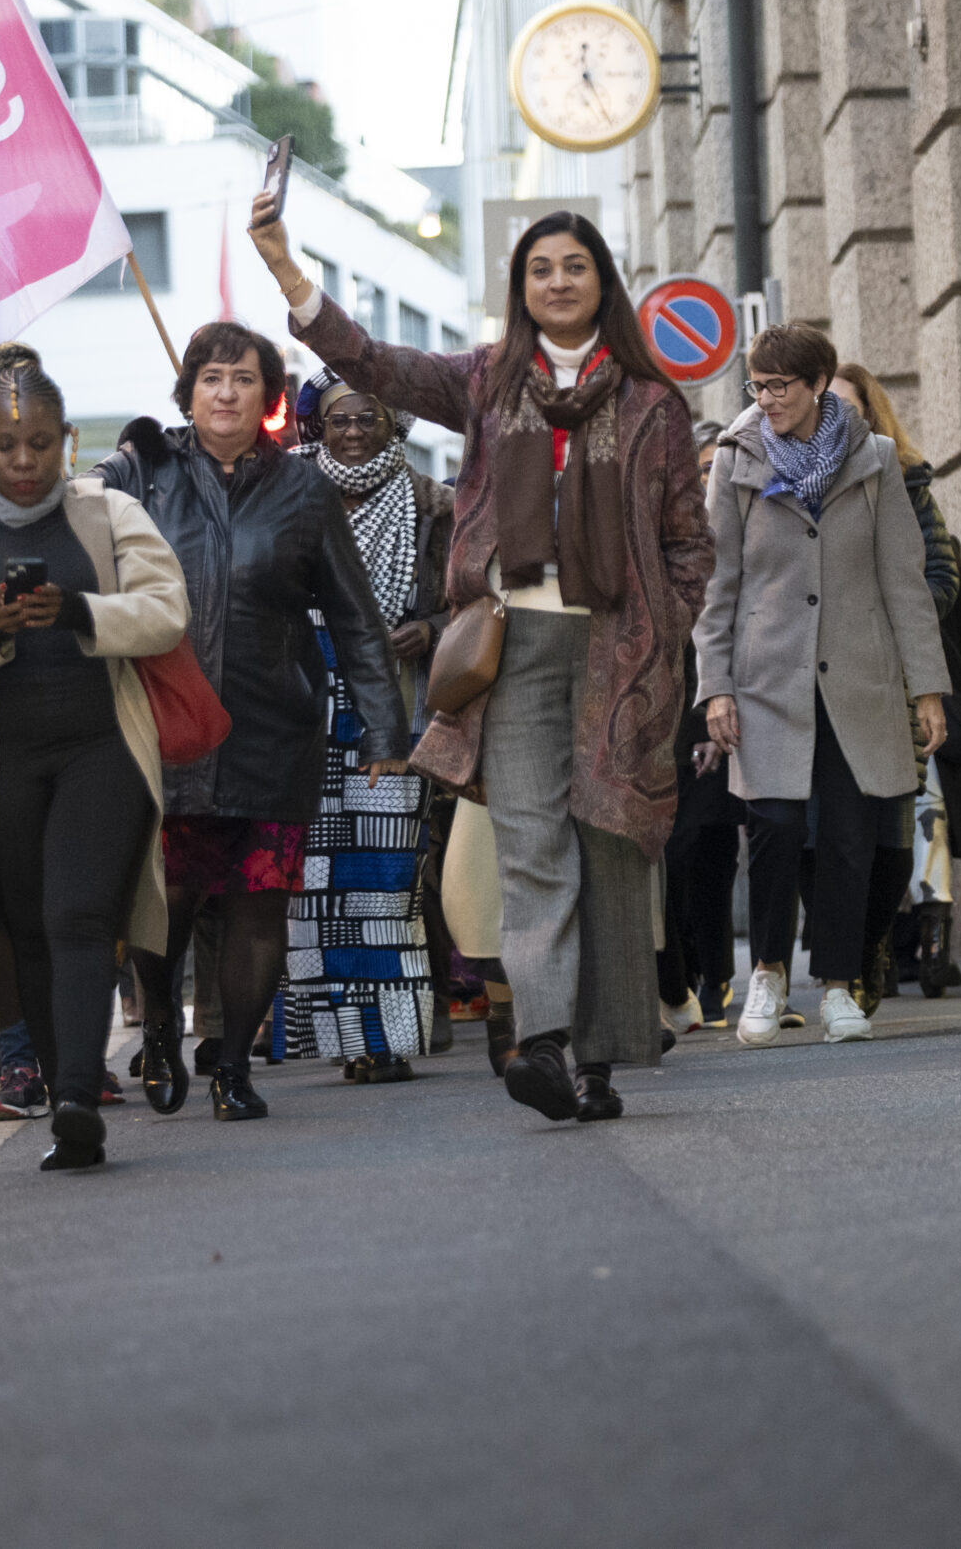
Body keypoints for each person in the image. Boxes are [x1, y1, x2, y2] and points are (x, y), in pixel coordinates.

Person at [253, 198, 714, 1124]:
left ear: (602, 281)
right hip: (514, 647)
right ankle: (542, 1042)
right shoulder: (486, 381)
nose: (557, 282)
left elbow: (688, 543)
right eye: (540, 269)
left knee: (610, 845)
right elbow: (372, 362)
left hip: (620, 652)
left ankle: (600, 1063)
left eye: (574, 266)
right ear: (520, 286)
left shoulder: (652, 402)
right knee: (532, 848)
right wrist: (287, 269)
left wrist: (664, 625)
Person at [96, 321, 410, 1123]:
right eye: (211, 378)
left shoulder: (304, 490)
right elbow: (79, 531)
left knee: (258, 904)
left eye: (242, 379)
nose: (226, 392)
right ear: (188, 393)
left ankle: (233, 1066)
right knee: (164, 898)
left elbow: (355, 616)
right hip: (168, 726)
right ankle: (159, 1027)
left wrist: (383, 729)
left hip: (274, 727)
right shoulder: (144, 473)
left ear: (269, 396)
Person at [0, 344, 190, 1170]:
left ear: (68, 441)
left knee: (78, 915)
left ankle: (75, 1097)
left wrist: (80, 612)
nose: (23, 461)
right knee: (28, 928)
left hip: (103, 749)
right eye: (5, 445)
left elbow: (168, 610)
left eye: (40, 443)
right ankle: (66, 1092)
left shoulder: (109, 514)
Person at [694, 327, 951, 1049]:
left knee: (848, 836)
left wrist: (928, 687)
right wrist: (715, 686)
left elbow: (904, 580)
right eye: (757, 385)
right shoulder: (737, 459)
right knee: (773, 829)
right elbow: (718, 584)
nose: (766, 399)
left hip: (859, 676)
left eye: (780, 386)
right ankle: (768, 974)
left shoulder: (874, 459)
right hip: (766, 677)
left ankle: (839, 986)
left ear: (816, 384)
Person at [279, 371, 452, 1083]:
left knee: (385, 879)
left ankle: (388, 1038)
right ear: (318, 426)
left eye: (368, 419)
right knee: (313, 885)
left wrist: (431, 627)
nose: (353, 432)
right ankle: (344, 1040)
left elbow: (473, 596)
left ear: (394, 425)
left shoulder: (431, 502)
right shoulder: (289, 492)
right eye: (340, 420)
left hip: (392, 703)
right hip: (301, 706)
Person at [835, 362, 961, 1005]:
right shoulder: (796, 480)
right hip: (832, 680)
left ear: (871, 414)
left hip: (898, 676)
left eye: (846, 406)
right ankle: (859, 953)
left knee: (913, 814)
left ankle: (902, 943)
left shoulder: (906, 481)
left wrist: (894, 619)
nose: (831, 417)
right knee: (840, 825)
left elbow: (942, 576)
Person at [658, 421, 743, 1035]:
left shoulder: (739, 532)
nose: (710, 479)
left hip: (720, 713)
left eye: (717, 467)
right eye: (702, 468)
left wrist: (716, 708)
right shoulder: (668, 533)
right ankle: (681, 974)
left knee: (711, 852)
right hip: (666, 718)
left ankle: (716, 976)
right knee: (676, 857)